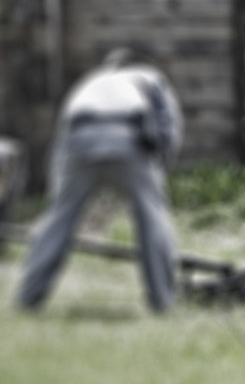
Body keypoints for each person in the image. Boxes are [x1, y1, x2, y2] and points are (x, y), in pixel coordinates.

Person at [16, 48, 183, 313]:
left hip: (79, 138)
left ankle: (27, 298)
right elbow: (169, 125)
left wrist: (57, 191)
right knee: (152, 218)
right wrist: (159, 172)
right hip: (128, 134)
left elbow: (61, 137)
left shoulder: (90, 82)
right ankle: (164, 302)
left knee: (59, 220)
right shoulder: (150, 76)